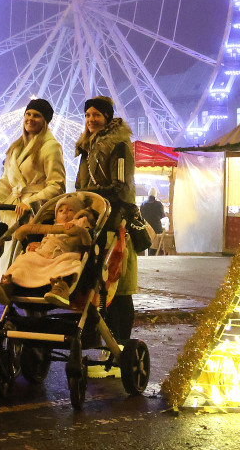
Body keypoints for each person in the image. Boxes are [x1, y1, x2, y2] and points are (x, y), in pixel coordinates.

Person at [74, 95, 137, 347]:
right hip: (92, 220)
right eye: (88, 115)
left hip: (114, 222)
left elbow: (120, 187)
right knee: (93, 282)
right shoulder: (86, 147)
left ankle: (120, 344)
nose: (91, 119)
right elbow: (80, 184)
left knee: (117, 286)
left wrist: (92, 201)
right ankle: (95, 337)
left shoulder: (118, 146)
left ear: (107, 117)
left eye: (96, 115)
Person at [0, 98, 66, 273]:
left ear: (45, 121)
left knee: (21, 265)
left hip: (33, 216)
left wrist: (30, 202)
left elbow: (57, 186)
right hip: (11, 213)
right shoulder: (15, 148)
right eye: (28, 114)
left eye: (37, 115)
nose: (30, 118)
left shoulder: (51, 147)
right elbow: (6, 182)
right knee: (7, 261)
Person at [0, 195, 96, 308]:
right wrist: (36, 246)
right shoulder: (51, 228)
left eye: (70, 210)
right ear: (56, 216)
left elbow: (86, 228)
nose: (65, 212)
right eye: (60, 211)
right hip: (44, 255)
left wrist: (77, 223)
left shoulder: (79, 223)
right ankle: (10, 285)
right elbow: (45, 242)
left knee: (67, 265)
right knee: (24, 260)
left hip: (64, 255)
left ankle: (60, 289)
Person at [141, 188, 166, 255]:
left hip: (146, 228)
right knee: (155, 246)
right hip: (156, 228)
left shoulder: (143, 204)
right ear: (155, 195)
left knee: (148, 245)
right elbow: (162, 215)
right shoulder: (159, 204)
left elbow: (141, 216)